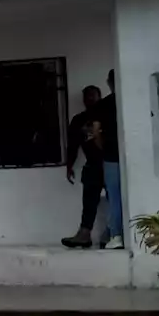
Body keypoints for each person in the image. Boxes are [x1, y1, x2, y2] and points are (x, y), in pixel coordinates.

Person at [61, 85, 104, 248]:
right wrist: (69, 165)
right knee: (89, 201)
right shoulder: (79, 119)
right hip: (93, 165)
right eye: (87, 97)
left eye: (93, 96)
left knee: (117, 201)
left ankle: (116, 235)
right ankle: (84, 235)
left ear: (100, 97)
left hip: (111, 164)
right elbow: (72, 145)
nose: (90, 100)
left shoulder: (108, 114)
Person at [92, 69, 122, 249]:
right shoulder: (130, 101)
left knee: (114, 195)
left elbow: (96, 132)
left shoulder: (102, 105)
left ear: (109, 82)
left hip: (111, 155)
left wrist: (104, 147)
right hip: (130, 154)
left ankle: (116, 235)